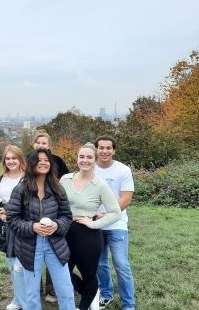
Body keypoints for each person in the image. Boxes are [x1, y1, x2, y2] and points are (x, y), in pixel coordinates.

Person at [6, 149, 75, 310]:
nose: (43, 163)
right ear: (31, 163)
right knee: (31, 294)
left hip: (55, 245)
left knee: (65, 290)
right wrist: (32, 226)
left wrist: (57, 225)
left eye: (46, 160)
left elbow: (66, 216)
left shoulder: (58, 188)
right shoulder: (21, 189)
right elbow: (12, 219)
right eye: (39, 160)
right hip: (30, 246)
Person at [60, 143, 121, 310]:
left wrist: (94, 223)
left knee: (89, 276)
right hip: (64, 234)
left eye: (89, 157)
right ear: (77, 159)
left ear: (95, 160)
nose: (85, 160)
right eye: (81, 157)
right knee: (61, 273)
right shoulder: (65, 179)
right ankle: (91, 294)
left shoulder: (100, 185)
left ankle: (83, 306)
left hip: (88, 237)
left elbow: (115, 212)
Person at [94, 135, 136, 310]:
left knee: (121, 264)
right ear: (96, 149)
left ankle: (128, 304)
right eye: (101, 147)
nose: (104, 151)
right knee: (100, 263)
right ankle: (106, 294)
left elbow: (126, 199)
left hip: (117, 225)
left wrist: (107, 214)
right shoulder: (90, 168)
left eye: (108, 148)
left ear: (114, 150)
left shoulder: (123, 170)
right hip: (95, 224)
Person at [31, 128, 70, 303]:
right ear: (33, 144)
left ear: (50, 146)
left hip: (53, 210)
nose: (40, 146)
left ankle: (51, 289)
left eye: (44, 143)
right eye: (38, 143)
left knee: (53, 253)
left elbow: (67, 181)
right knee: (33, 254)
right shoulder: (29, 161)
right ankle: (34, 287)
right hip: (33, 212)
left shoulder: (58, 162)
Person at [0, 145, 27, 310]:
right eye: (8, 158)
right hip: (5, 225)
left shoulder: (28, 178)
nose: (11, 161)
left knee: (20, 266)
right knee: (10, 263)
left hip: (22, 225)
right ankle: (18, 298)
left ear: (20, 159)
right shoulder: (1, 178)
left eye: (14, 158)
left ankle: (26, 300)